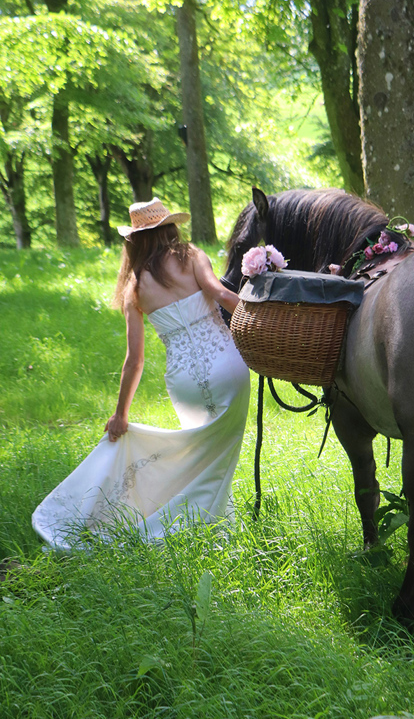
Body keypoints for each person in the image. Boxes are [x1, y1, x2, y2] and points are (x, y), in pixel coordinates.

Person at [32, 199, 250, 551]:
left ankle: (211, 522)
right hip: (226, 366)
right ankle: (198, 525)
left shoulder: (133, 286)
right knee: (216, 451)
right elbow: (222, 294)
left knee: (197, 451)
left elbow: (134, 360)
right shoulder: (190, 256)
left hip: (184, 382)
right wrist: (263, 323)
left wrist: (121, 413)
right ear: (169, 227)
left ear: (134, 239)